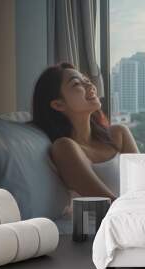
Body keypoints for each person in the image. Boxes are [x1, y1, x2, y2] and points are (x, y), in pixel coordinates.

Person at [31, 62, 139, 202]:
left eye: (87, 81)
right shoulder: (64, 147)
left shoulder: (119, 134)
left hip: (137, 214)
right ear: (59, 104)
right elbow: (107, 202)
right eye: (77, 84)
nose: (90, 86)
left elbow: (144, 184)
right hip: (112, 219)